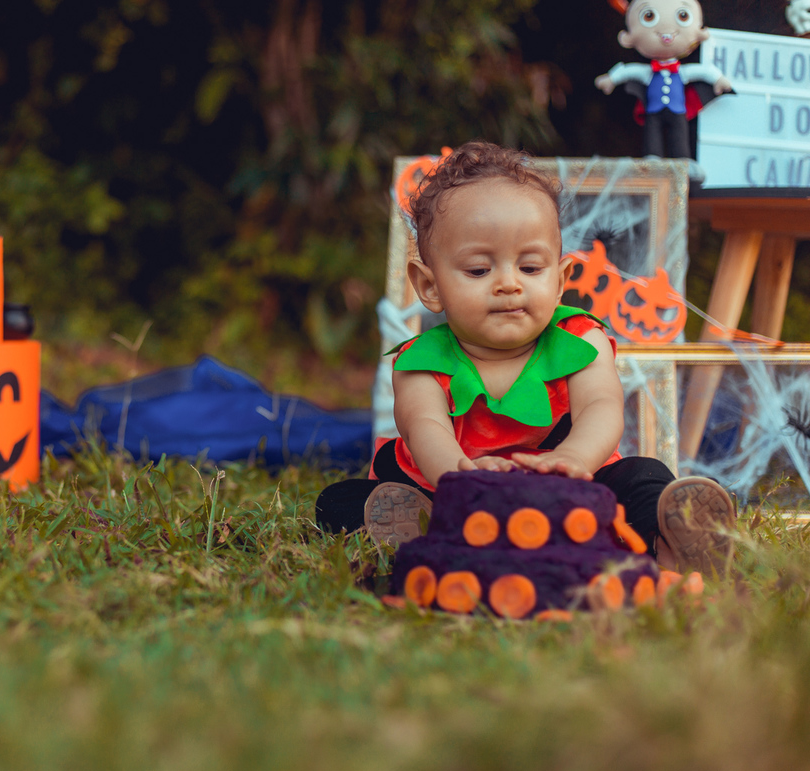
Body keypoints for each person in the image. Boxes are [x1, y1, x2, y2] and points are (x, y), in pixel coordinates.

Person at [315, 141, 735, 573]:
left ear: (559, 280)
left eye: (531, 268)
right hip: (454, 489)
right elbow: (425, 428)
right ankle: (419, 529)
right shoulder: (420, 362)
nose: (508, 284)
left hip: (569, 487)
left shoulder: (581, 341)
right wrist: (460, 477)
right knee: (340, 501)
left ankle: (669, 544)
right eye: (479, 270)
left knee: (643, 475)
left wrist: (573, 459)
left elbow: (602, 408)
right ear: (429, 286)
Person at [594, 0, 731, 164]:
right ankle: (652, 158)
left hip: (678, 111)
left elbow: (704, 71)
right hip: (653, 112)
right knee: (652, 136)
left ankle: (682, 161)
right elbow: (628, 70)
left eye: (683, 15)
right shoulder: (648, 72)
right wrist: (611, 79)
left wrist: (718, 79)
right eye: (649, 15)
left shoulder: (682, 72)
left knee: (679, 136)